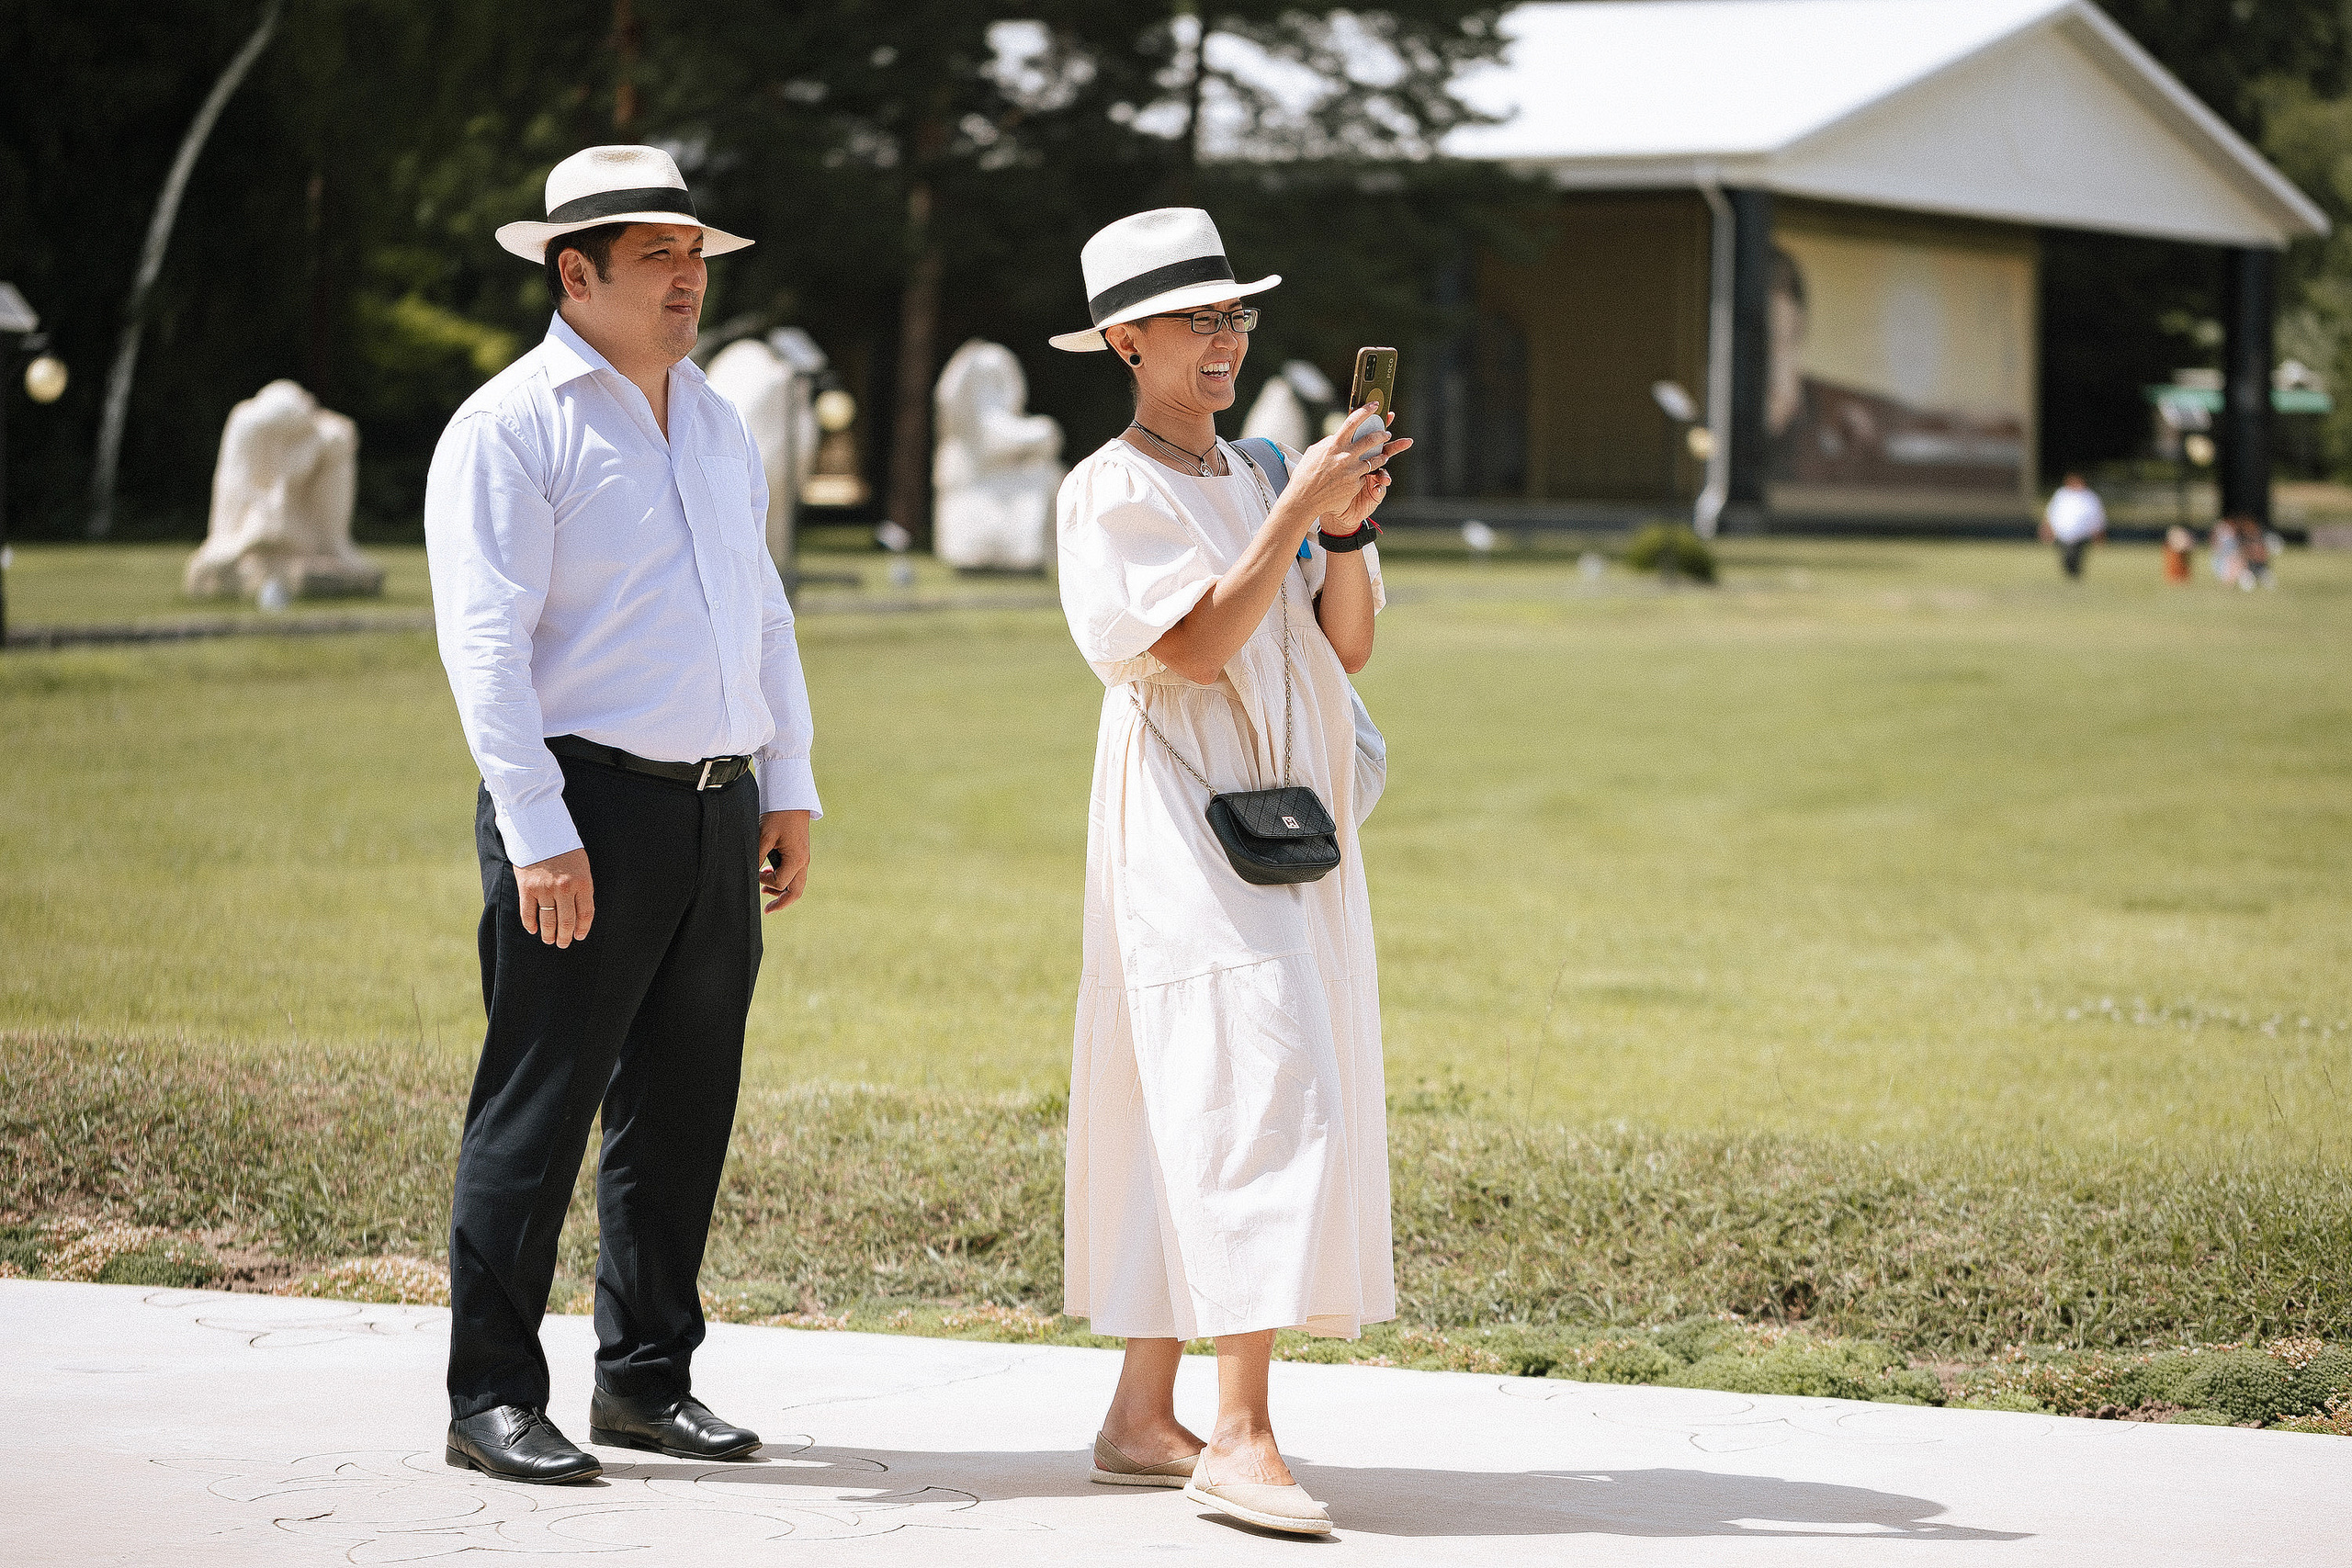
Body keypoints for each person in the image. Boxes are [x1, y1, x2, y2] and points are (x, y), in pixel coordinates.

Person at [423, 145, 820, 1483]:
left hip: (717, 805)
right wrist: (537, 827)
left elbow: (760, 613)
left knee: (681, 1106)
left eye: (695, 259)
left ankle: (647, 1379)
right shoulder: (510, 424)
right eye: (660, 259)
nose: (688, 283)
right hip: (580, 806)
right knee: (536, 1108)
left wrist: (790, 784)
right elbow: (483, 645)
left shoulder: (711, 416)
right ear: (573, 271)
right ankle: (488, 1395)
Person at [1046, 208, 1409, 1538]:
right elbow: (1191, 649)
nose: (1226, 341)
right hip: (1184, 824)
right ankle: (1242, 1431)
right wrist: (1296, 512)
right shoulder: (1107, 488)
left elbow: (1345, 646)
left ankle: (1145, 1415)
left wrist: (1345, 527)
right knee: (1263, 1085)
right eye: (1199, 319)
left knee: (1183, 1094)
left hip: (1282, 823)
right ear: (1126, 339)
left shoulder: (1259, 472)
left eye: (1237, 315)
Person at [2042, 473, 2106, 579]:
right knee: (2067, 556)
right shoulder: (2061, 495)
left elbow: (2097, 516)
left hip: (2081, 534)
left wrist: (2098, 533)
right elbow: (2051, 513)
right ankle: (2070, 574)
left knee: (2077, 556)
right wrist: (2046, 529)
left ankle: (2075, 575)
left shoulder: (2089, 496)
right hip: (2063, 533)